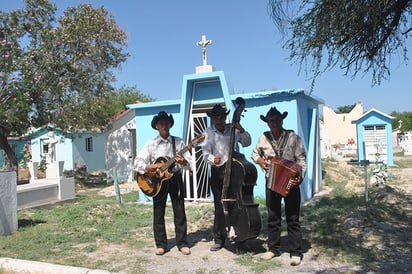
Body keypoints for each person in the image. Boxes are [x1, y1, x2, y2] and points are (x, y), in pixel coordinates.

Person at [251, 106, 307, 266]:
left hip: (291, 183)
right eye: (271, 120)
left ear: (282, 120)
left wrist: (300, 176)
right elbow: (255, 153)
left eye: (276, 120)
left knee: (293, 217)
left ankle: (295, 252)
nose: (274, 123)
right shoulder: (263, 137)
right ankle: (273, 248)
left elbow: (301, 159)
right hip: (271, 182)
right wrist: (260, 161)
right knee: (273, 217)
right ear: (267, 122)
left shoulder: (293, 137)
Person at [133, 111, 192, 256]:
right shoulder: (151, 143)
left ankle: (182, 243)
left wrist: (184, 162)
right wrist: (147, 167)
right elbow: (137, 162)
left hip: (175, 178)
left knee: (179, 211)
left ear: (170, 125)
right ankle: (161, 244)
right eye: (161, 123)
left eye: (166, 123)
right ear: (157, 126)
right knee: (158, 212)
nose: (164, 125)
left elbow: (189, 163)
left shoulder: (178, 142)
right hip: (157, 181)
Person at [201, 104, 252, 252]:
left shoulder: (233, 129)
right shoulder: (208, 132)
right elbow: (205, 153)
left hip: (235, 172)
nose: (219, 119)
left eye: (221, 116)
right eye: (216, 116)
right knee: (219, 206)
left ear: (225, 117)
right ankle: (219, 239)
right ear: (212, 118)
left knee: (237, 205)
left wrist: (241, 128)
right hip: (218, 172)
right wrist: (212, 159)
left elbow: (247, 142)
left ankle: (240, 239)